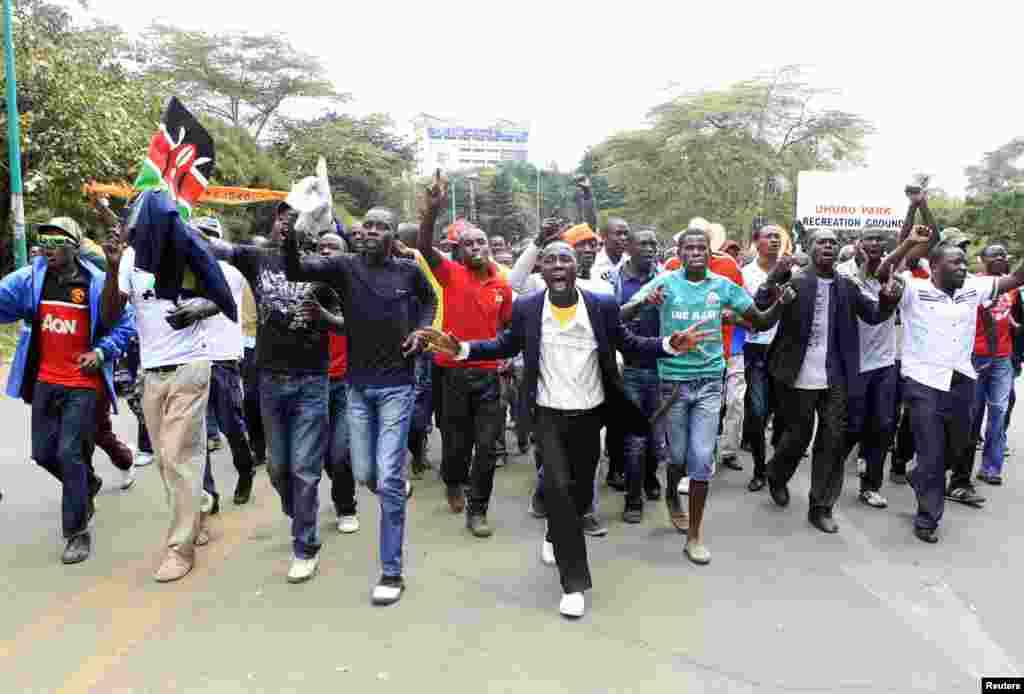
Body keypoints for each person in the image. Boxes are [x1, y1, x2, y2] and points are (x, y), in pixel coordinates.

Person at [411, 240, 711, 618]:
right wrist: (463, 350)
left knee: (581, 494)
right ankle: (573, 584)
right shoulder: (527, 308)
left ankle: (555, 533)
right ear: (541, 271)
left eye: (564, 259)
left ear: (574, 269)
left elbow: (629, 343)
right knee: (556, 489)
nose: (556, 265)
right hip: (548, 416)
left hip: (590, 415)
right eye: (549, 260)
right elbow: (505, 344)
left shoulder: (600, 306)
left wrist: (669, 344)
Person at [283, 204, 436, 605]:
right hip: (356, 388)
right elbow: (297, 270)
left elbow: (429, 299)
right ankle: (394, 486)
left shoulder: (408, 272)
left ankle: (391, 572)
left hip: (397, 388)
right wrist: (289, 235)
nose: (369, 231)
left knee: (385, 480)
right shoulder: (345, 267)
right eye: (366, 225)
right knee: (367, 472)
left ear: (391, 237)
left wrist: (422, 330)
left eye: (380, 227)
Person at [622, 226, 791, 564]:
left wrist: (780, 306)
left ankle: (695, 534)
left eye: (702, 247)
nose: (696, 253)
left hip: (711, 382)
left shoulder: (724, 286)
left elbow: (757, 322)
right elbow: (622, 313)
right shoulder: (666, 282)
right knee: (679, 457)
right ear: (679, 253)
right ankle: (672, 493)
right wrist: (644, 304)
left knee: (700, 458)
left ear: (710, 253)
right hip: (672, 385)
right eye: (689, 248)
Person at [101, 193, 228, 583]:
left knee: (178, 455)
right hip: (152, 372)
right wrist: (109, 268)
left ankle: (180, 548)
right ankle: (200, 504)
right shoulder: (128, 261)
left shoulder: (187, 250)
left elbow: (222, 294)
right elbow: (109, 316)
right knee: (165, 460)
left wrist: (200, 307)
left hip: (191, 365)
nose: (134, 232)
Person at [208, 201, 335, 584]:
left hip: (312, 381)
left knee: (304, 469)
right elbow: (214, 248)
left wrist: (325, 317)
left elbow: (347, 323)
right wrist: (173, 219)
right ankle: (298, 512)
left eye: (295, 219)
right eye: (282, 218)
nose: (286, 224)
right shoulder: (256, 258)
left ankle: (305, 547)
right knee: (279, 470)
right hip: (270, 381)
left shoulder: (327, 269)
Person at [0, 217, 135, 565]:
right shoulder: (31, 280)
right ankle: (87, 484)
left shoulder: (96, 282)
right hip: (46, 381)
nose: (48, 246)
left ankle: (77, 532)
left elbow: (124, 323)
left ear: (74, 246)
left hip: (83, 385)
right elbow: (2, 300)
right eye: (44, 240)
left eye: (57, 241)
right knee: (44, 453)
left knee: (70, 452)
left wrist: (102, 351)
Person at [879, 223, 1024, 541]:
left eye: (964, 261)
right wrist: (906, 246)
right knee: (931, 452)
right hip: (923, 381)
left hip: (962, 379)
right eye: (954, 262)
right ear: (934, 267)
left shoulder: (975, 287)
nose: (962, 266)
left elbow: (1015, 279)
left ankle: (922, 476)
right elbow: (883, 272)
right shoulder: (914, 288)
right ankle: (928, 518)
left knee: (958, 448)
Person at [755, 228, 902, 535]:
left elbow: (875, 315)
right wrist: (773, 279)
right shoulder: (795, 281)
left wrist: (889, 300)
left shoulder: (847, 286)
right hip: (795, 374)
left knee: (833, 440)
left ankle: (821, 507)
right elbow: (761, 306)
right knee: (797, 436)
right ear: (809, 248)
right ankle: (777, 474)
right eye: (822, 242)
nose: (828, 246)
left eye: (833, 243)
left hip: (836, 375)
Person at [415, 204, 512, 538]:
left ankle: (478, 508)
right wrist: (431, 211)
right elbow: (424, 245)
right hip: (452, 375)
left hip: (489, 377)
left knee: (487, 447)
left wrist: (508, 357)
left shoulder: (502, 286)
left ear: (488, 247)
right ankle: (453, 481)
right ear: (458, 250)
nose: (476, 248)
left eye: (481, 242)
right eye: (469, 243)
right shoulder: (450, 274)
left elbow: (507, 329)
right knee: (457, 443)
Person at [192, 217, 256, 508]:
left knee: (231, 425)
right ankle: (208, 494)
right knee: (197, 433)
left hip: (224, 359)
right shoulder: (185, 270)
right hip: (191, 359)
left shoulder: (229, 272)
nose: (201, 241)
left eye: (207, 236)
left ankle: (245, 470)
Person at [836, 228, 901, 509]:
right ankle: (830, 469)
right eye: (869, 239)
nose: (875, 243)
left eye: (880, 239)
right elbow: (856, 291)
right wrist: (864, 267)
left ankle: (871, 486)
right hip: (853, 362)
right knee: (853, 425)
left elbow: (919, 245)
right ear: (858, 244)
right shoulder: (842, 272)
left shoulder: (893, 271)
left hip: (885, 361)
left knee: (884, 425)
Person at [608, 226, 664, 522]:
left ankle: (650, 477)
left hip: (662, 370)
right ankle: (633, 501)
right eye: (643, 243)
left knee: (656, 441)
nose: (650, 248)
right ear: (629, 247)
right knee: (635, 439)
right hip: (629, 368)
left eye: (654, 243)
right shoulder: (615, 280)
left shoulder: (667, 278)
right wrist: (643, 302)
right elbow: (613, 318)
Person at [313, 232, 359, 533]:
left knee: (339, 452)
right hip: (310, 383)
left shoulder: (357, 288)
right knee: (319, 455)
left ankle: (346, 506)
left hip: (346, 383)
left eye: (334, 247)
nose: (327, 250)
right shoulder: (304, 287)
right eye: (322, 247)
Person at [970, 244, 1018, 486]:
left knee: (998, 412)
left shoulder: (1012, 288)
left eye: (1003, 254)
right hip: (975, 357)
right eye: (994, 254)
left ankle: (990, 467)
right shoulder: (972, 283)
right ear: (982, 259)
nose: (1000, 257)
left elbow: (1012, 319)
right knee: (972, 413)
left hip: (1002, 357)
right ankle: (958, 469)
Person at [741, 224, 784, 491]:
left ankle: (778, 467)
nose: (774, 240)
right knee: (757, 412)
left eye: (778, 237)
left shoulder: (794, 273)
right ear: (756, 242)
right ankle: (759, 469)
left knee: (786, 415)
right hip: (755, 351)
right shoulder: (745, 274)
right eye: (769, 236)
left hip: (786, 350)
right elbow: (746, 314)